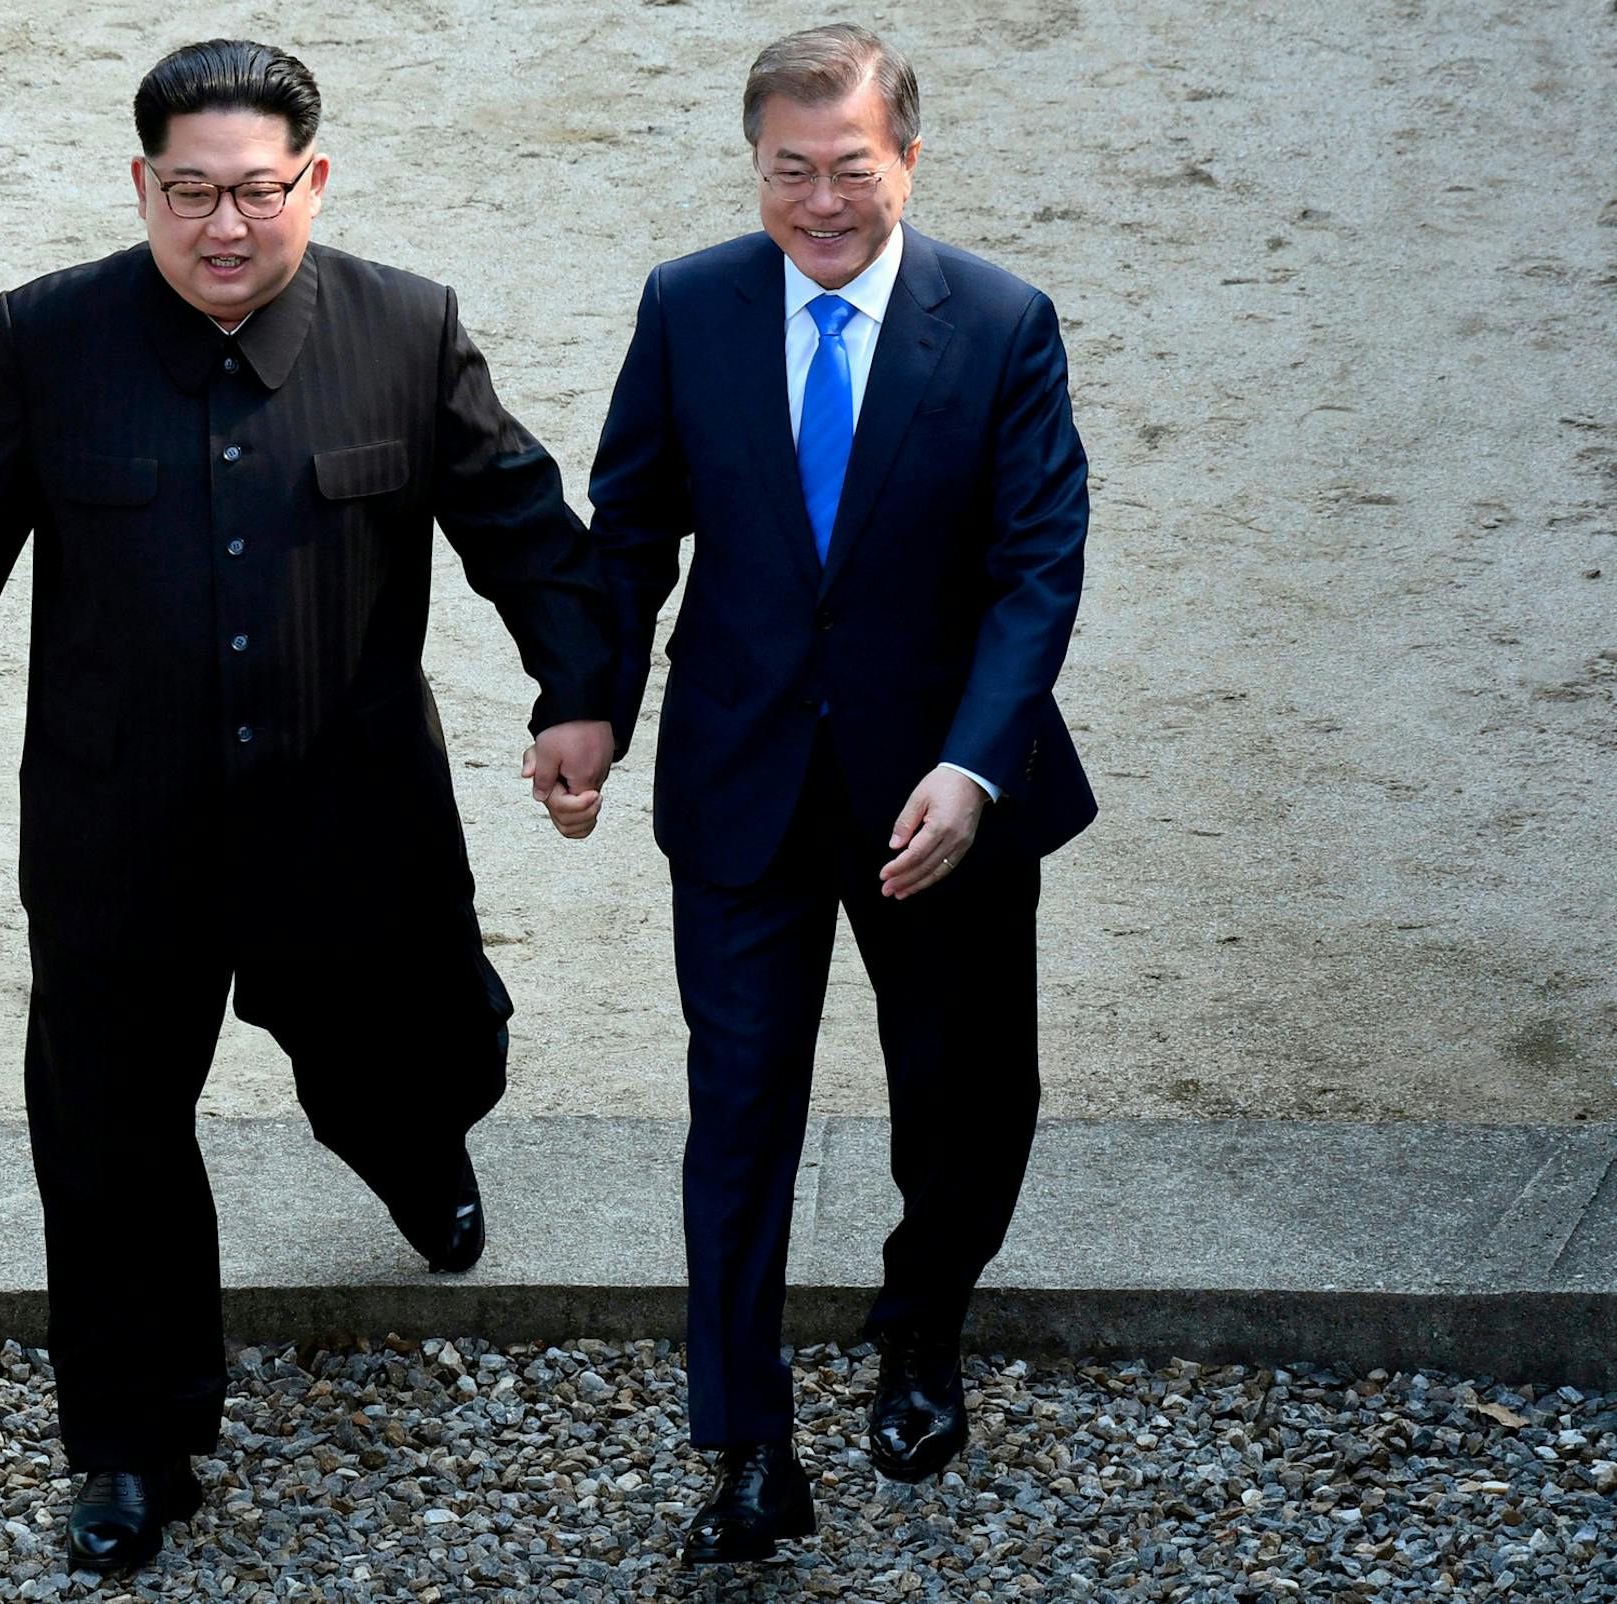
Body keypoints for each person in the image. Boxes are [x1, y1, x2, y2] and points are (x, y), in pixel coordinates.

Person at [0, 38, 614, 1571]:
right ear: (143, 189)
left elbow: (522, 520)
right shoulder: (49, 339)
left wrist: (576, 691)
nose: (225, 227)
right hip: (124, 834)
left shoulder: (408, 329)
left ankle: (415, 1143)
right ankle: (132, 1449)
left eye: (257, 191)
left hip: (354, 821)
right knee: (108, 1135)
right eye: (190, 194)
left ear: (311, 181)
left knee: (428, 1053)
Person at [578, 23, 1096, 1563]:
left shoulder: (1002, 323)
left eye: (849, 170)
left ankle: (921, 1322)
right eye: (788, 172)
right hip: (742, 784)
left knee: (973, 1097)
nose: (818, 202)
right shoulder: (688, 307)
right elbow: (629, 528)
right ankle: (747, 1447)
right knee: (738, 1114)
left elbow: (1037, 567)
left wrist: (972, 764)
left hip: (941, 796)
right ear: (756, 166)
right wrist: (585, 703)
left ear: (909, 162)